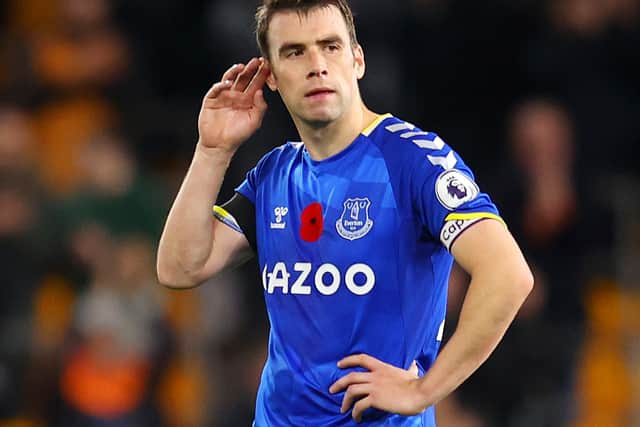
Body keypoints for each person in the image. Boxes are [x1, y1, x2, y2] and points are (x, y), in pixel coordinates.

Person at [156, 1, 533, 425]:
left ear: (357, 59)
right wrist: (212, 151)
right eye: (295, 52)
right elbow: (180, 268)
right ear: (273, 77)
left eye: (330, 46)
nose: (316, 65)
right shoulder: (274, 174)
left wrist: (425, 390)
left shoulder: (412, 160)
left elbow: (508, 275)